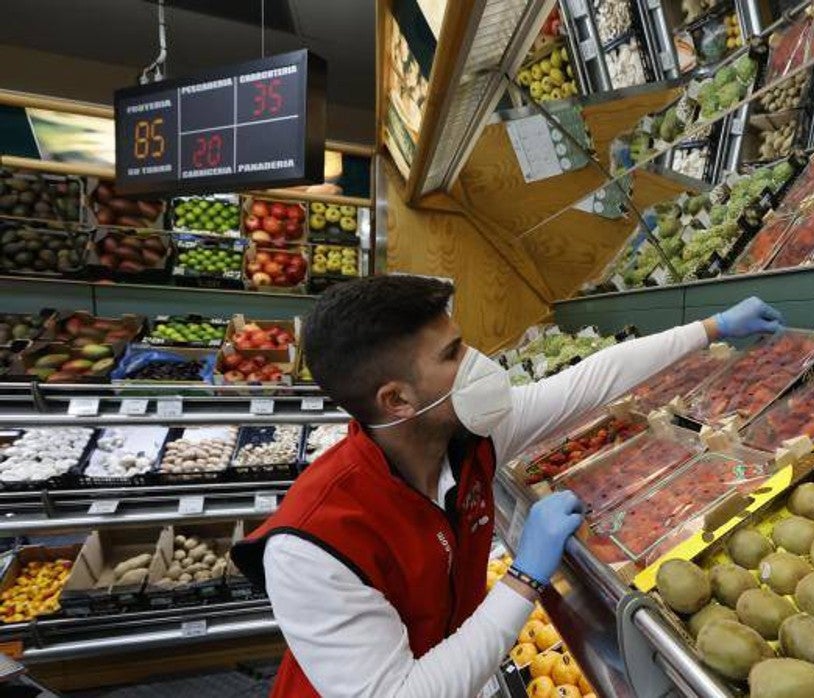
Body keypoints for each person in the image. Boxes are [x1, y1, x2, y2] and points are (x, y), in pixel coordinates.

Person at [231, 275, 784, 697]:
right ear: (396, 400)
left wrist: (711, 328)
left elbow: (587, 382)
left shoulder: (470, 437)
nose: (477, 363)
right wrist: (524, 578)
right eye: (452, 355)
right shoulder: (311, 547)